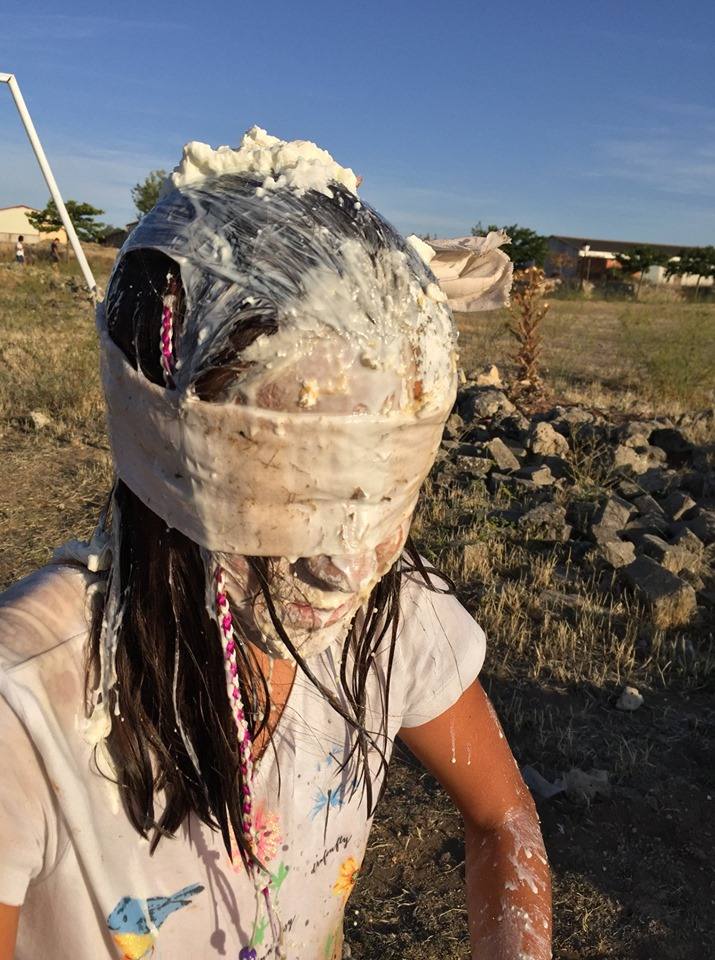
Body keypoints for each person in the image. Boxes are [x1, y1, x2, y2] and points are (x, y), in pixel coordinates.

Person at [0, 128, 550, 960]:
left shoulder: (394, 610)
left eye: (382, 494)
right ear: (165, 457)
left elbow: (502, 814)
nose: (346, 565)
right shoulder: (28, 705)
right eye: (294, 496)